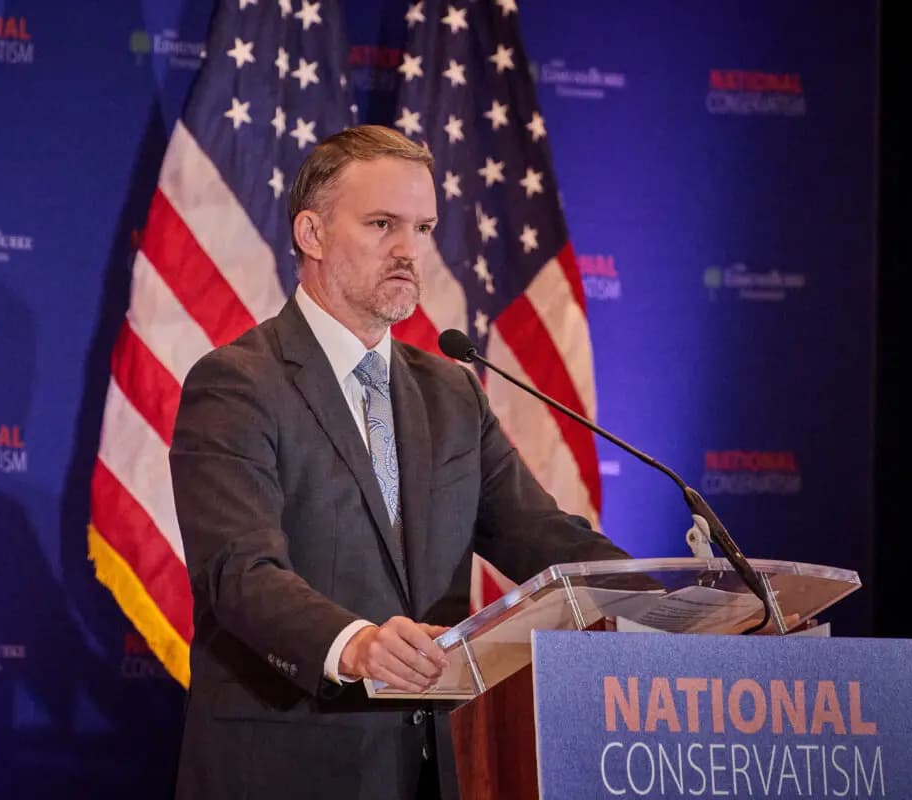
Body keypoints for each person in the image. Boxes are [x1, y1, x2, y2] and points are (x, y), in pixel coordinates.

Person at [168, 124, 631, 800]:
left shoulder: (449, 391)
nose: (409, 251)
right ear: (312, 234)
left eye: (423, 227)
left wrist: (671, 602)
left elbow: (540, 535)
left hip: (431, 769)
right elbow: (239, 572)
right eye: (383, 223)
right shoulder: (237, 384)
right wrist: (354, 643)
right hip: (286, 765)